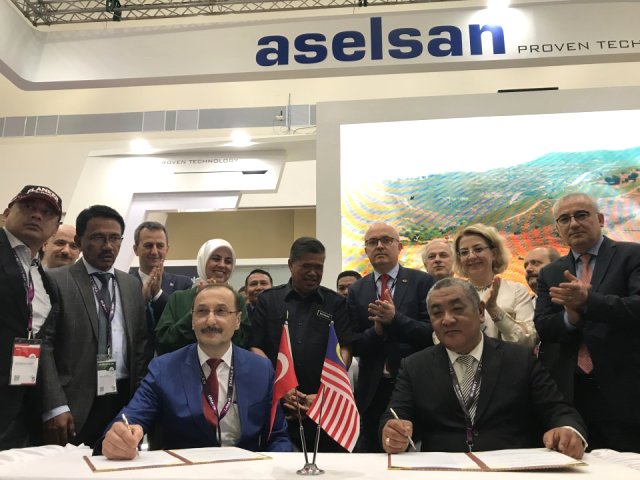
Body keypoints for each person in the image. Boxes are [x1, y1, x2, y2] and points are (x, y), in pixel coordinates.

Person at [381, 278, 586, 459]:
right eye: (437, 313)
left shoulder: (519, 359)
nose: (447, 319)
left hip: (511, 469)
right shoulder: (415, 366)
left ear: (480, 312)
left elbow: (558, 410)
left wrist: (567, 430)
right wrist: (391, 431)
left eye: (457, 309)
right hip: (445, 470)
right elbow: (395, 414)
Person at [96, 284, 292, 459]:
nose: (210, 320)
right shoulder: (164, 368)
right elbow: (132, 417)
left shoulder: (262, 369)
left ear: (238, 320)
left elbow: (278, 436)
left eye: (221, 311)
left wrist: (270, 469)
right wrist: (119, 437)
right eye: (202, 312)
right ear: (192, 320)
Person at [39, 205, 152, 448]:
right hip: (73, 400)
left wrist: (140, 401)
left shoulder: (131, 285)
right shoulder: (56, 281)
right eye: (98, 237)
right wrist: (55, 405)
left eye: (114, 238)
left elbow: (141, 347)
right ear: (80, 241)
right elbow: (44, 345)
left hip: (123, 398)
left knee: (119, 462)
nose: (108, 246)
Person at [535, 192, 640, 452]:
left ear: (600, 219)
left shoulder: (632, 255)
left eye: (581, 215)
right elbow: (544, 327)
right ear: (558, 228)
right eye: (564, 219)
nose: (573, 223)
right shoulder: (550, 272)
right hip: (573, 393)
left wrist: (588, 302)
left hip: (627, 389)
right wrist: (570, 317)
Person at [250, 237, 356, 452]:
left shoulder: (336, 303)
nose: (313, 273)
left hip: (323, 404)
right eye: (306, 266)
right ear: (291, 264)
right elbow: (255, 347)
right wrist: (280, 386)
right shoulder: (268, 300)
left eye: (319, 267)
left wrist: (326, 391)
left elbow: (344, 348)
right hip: (276, 403)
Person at [348, 222, 434, 452]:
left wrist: (395, 319)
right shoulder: (356, 290)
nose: (379, 246)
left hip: (414, 384)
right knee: (373, 454)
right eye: (372, 242)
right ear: (366, 250)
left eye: (386, 240)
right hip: (372, 390)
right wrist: (376, 331)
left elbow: (431, 334)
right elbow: (354, 344)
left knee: (412, 452)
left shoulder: (423, 282)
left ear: (400, 247)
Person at [0, 185, 62, 450]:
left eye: (47, 212)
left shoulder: (42, 276)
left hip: (23, 400)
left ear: (55, 228)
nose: (37, 215)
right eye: (28, 207)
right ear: (6, 213)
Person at [155, 238, 250, 354]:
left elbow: (243, 342)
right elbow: (163, 340)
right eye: (216, 259)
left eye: (228, 261)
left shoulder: (237, 299)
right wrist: (197, 308)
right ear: (203, 261)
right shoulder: (178, 298)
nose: (222, 265)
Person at [452, 224, 537, 348]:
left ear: (494, 253)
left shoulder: (517, 291)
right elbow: (440, 339)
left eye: (478, 249)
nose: (471, 256)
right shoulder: (453, 295)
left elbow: (528, 342)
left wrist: (494, 309)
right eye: (464, 252)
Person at [131, 221, 192, 340]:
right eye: (148, 245)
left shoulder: (184, 284)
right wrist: (142, 301)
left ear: (167, 249)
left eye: (160, 246)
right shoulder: (123, 284)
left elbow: (183, 323)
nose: (154, 251)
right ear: (136, 249)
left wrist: (158, 295)